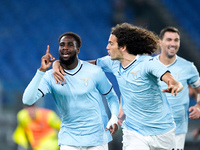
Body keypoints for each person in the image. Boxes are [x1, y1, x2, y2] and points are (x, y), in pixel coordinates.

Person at [52, 23, 183, 150]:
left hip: (163, 132)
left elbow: (171, 80)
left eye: (111, 43)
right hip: (134, 132)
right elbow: (81, 66)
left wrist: (174, 85)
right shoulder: (112, 62)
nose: (107, 47)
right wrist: (58, 63)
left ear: (123, 47)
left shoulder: (148, 63)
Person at [22, 32, 119, 150]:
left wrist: (114, 117)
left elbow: (111, 96)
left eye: (70, 45)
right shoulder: (50, 76)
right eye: (62, 45)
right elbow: (27, 100)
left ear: (78, 49)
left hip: (97, 139)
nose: (65, 48)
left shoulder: (94, 72)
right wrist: (41, 71)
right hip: (69, 140)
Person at [157, 26, 200, 150]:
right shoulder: (149, 66)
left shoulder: (188, 67)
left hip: (177, 132)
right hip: (152, 130)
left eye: (176, 40)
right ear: (160, 42)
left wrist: (198, 106)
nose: (173, 43)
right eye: (169, 39)